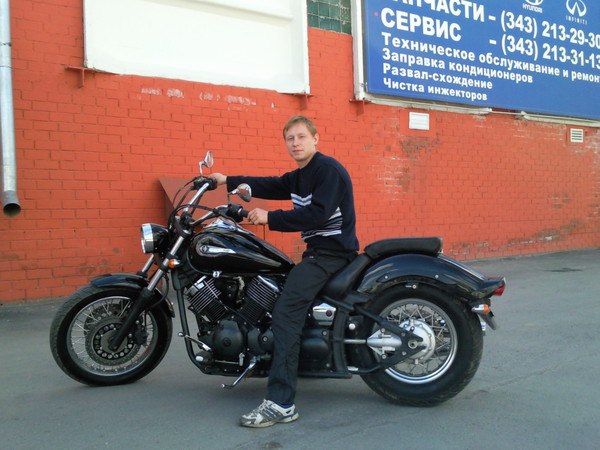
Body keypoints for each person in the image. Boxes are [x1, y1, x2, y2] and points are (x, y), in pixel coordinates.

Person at [210, 115, 359, 428]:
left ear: (315, 138)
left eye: (301, 136)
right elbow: (271, 183)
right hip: (318, 253)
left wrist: (271, 218)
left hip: (331, 254)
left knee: (286, 313)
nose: (295, 143)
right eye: (290, 138)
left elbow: (317, 215)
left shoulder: (327, 170)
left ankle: (280, 403)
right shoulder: (300, 175)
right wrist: (226, 180)